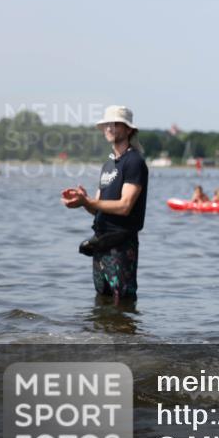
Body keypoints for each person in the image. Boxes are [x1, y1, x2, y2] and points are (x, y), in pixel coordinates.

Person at [61, 106, 149, 303]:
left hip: (122, 245)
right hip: (101, 243)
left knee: (122, 303)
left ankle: (125, 335)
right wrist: (83, 202)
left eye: (115, 124)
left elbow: (125, 206)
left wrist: (89, 201)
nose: (109, 128)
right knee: (102, 303)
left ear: (128, 130)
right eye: (107, 124)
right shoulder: (108, 165)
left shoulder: (134, 161)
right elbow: (98, 207)